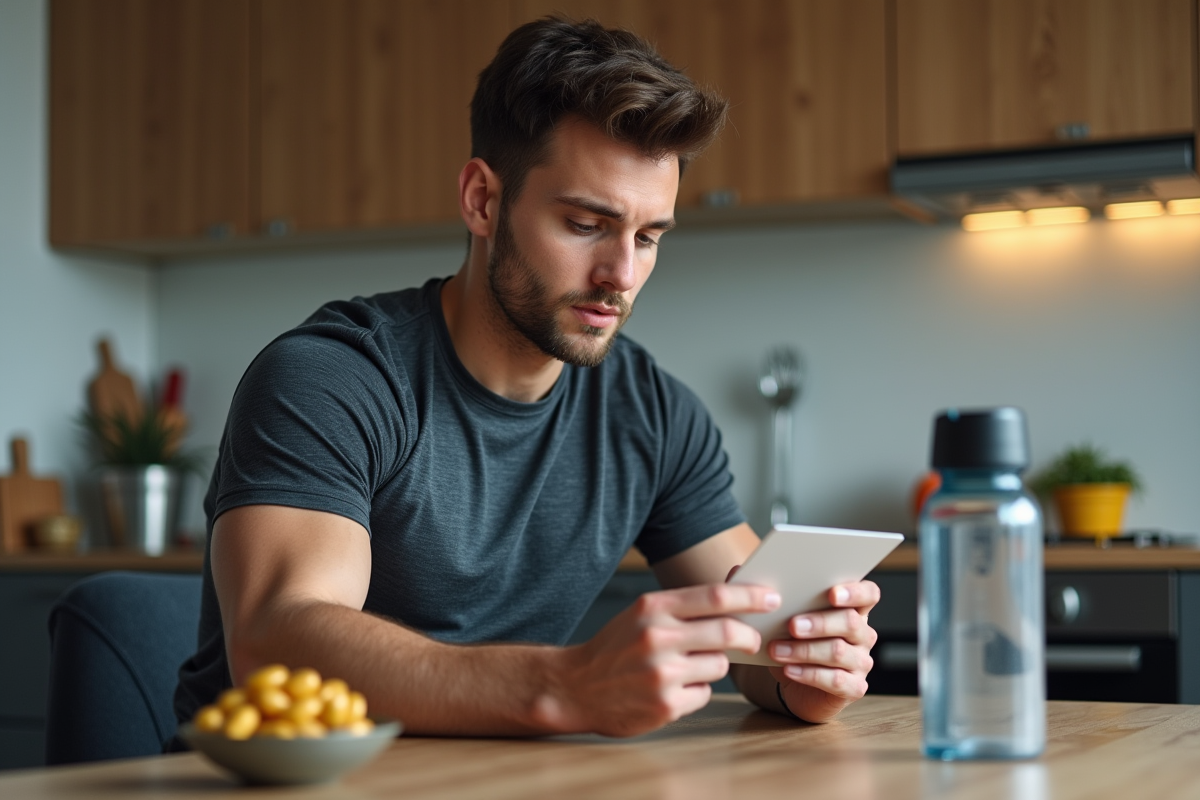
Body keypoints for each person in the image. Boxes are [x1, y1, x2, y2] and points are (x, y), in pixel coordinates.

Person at [174, 16, 880, 738]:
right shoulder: (334, 379)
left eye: (647, 237)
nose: (622, 275)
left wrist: (807, 677)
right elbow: (276, 642)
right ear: (483, 200)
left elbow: (758, 632)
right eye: (585, 224)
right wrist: (560, 685)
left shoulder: (653, 413)